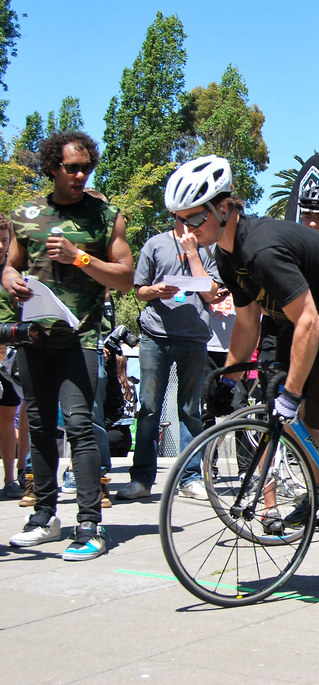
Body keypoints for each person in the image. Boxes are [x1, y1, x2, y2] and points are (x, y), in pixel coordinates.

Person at [163, 155, 319, 534]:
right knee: (278, 401)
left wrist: (293, 392)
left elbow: (310, 322)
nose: (187, 229)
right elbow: (247, 322)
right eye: (179, 220)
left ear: (224, 208)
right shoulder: (227, 256)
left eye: (195, 218)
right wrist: (228, 378)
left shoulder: (261, 249)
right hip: (303, 319)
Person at [4, 131, 134, 561]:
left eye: (86, 168)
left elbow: (125, 278)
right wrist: (11, 280)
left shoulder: (106, 216)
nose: (80, 176)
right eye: (72, 168)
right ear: (51, 168)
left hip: (81, 339)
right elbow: (11, 266)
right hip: (33, 337)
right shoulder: (26, 215)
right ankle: (44, 516)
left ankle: (90, 524)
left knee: (79, 425)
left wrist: (79, 256)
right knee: (40, 426)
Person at [117, 200, 225, 501]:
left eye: (198, 215)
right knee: (149, 409)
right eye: (187, 215)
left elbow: (211, 293)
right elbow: (139, 291)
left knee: (190, 410)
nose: (193, 220)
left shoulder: (209, 248)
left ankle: (190, 478)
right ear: (175, 214)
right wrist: (156, 290)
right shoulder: (155, 244)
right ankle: (141, 480)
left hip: (194, 337)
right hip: (156, 335)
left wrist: (192, 252)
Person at [0, 216, 25, 498]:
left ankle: (13, 477)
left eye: (5, 241)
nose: (0, 246)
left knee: (10, 416)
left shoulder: (15, 272)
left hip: (11, 352)